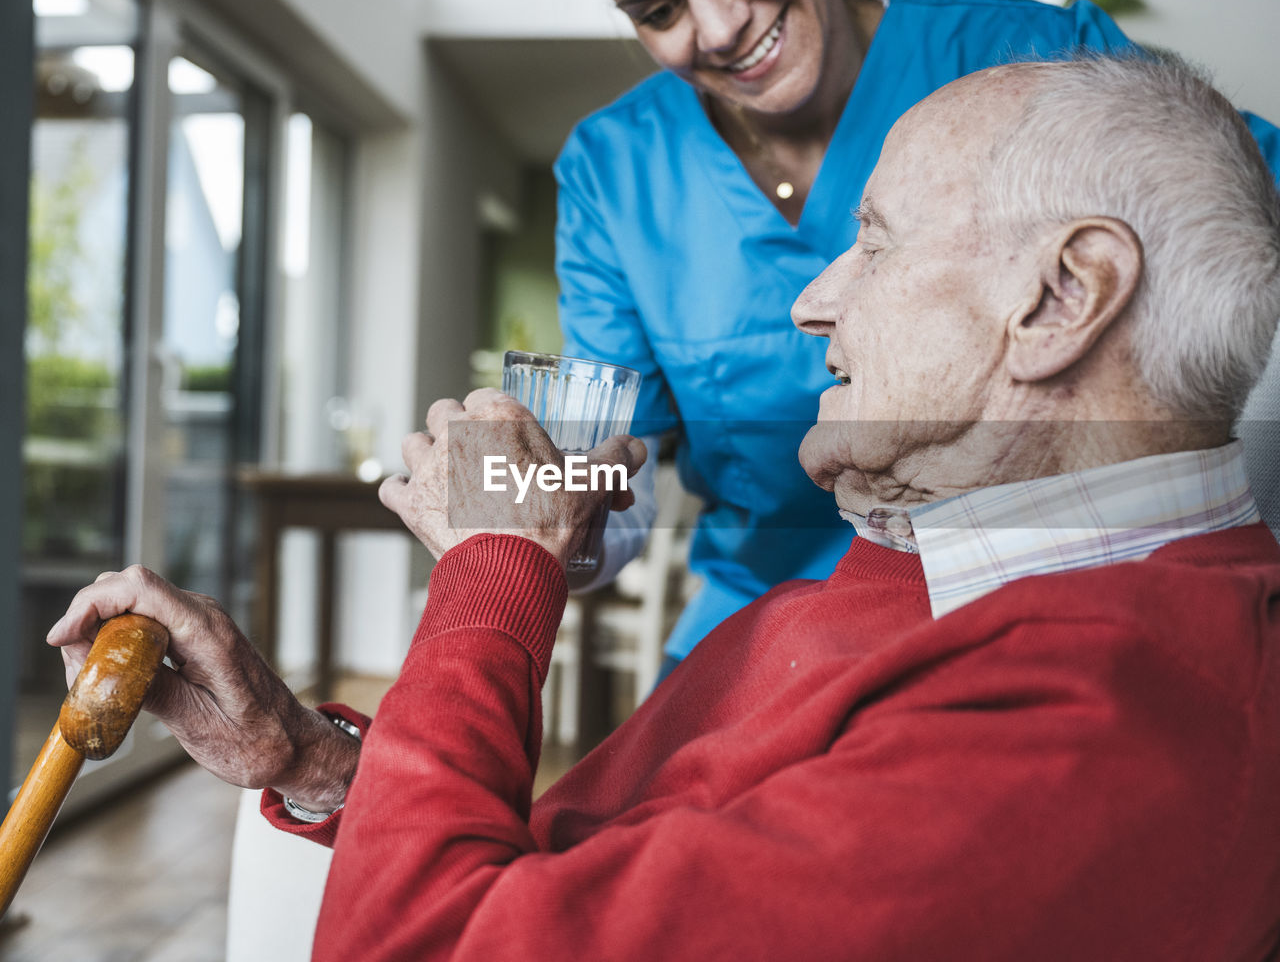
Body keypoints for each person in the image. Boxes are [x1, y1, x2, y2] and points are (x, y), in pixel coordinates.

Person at [50, 53, 1280, 959]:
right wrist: (307, 759)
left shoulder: (1072, 736)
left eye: (879, 242)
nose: (811, 304)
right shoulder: (946, 560)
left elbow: (430, 941)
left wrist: (493, 560)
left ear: (1065, 296)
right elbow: (582, 865)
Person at [559, 0, 1280, 671]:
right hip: (761, 629)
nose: (718, 29)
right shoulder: (614, 168)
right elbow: (600, 465)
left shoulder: (1026, 56)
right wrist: (542, 523)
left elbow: (1235, 238)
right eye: (659, 9)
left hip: (1042, 603)